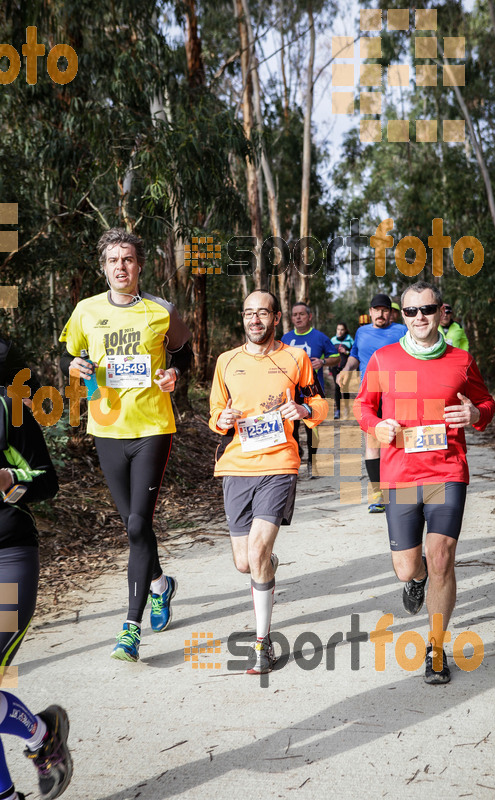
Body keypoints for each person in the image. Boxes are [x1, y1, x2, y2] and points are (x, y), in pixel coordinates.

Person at [59, 228, 192, 663]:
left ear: (139, 266)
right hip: (106, 429)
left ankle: (130, 629)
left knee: (138, 524)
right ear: (104, 268)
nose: (121, 267)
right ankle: (159, 583)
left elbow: (184, 354)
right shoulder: (85, 310)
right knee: (132, 524)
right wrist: (73, 366)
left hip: (153, 426)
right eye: (113, 260)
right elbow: (67, 354)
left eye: (128, 259)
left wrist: (174, 375)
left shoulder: (161, 310)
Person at [355, 281, 495, 684]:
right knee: (406, 567)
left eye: (427, 309)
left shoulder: (461, 360)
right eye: (411, 311)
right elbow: (364, 407)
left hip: (447, 470)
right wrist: (377, 426)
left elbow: (486, 404)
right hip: (400, 473)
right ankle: (415, 580)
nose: (420, 317)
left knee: (442, 557)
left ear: (440, 311)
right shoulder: (383, 358)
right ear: (402, 316)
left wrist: (476, 416)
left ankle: (436, 648)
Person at [209, 291, 328, 674]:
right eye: (248, 313)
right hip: (236, 466)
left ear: (276, 317)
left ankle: (263, 643)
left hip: (279, 463)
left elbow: (319, 404)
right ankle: (266, 565)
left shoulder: (295, 357)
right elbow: (214, 413)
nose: (255, 319)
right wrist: (222, 420)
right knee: (245, 563)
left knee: (256, 556)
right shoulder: (226, 361)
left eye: (262, 312)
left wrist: (305, 408)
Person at [0, 387, 72, 800]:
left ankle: (42, 736)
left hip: (7, 562)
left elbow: (46, 478)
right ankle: (43, 737)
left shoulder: (6, 408)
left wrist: (11, 478)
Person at [337, 294, 406, 512]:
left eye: (385, 310)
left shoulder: (402, 331)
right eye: (376, 310)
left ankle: (404, 489)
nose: (381, 314)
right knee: (372, 442)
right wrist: (346, 370)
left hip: (397, 394)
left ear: (391, 313)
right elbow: (355, 355)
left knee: (400, 440)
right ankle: (379, 493)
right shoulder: (361, 332)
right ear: (370, 311)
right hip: (369, 394)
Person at [281, 303, 339, 477]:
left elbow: (335, 357)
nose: (298, 318)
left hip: (312, 392)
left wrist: (323, 362)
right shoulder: (285, 338)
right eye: (294, 315)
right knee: (291, 428)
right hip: (290, 392)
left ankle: (313, 463)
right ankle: (296, 459)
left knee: (312, 428)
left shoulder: (320, 337)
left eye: (301, 314)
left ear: (309, 316)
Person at [330, 323, 354, 419]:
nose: (339, 332)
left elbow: (353, 354)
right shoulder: (332, 340)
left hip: (346, 368)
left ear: (345, 330)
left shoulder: (350, 340)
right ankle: (338, 410)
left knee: (345, 388)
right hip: (335, 368)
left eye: (342, 330)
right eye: (338, 329)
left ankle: (346, 409)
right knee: (337, 388)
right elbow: (329, 354)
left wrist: (346, 352)